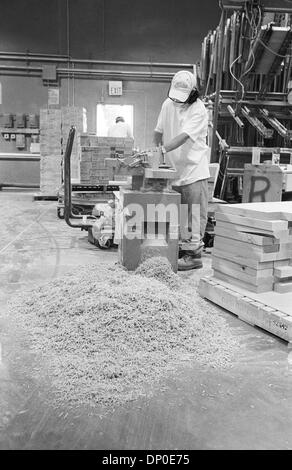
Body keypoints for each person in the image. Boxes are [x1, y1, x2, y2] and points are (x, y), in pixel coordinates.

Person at [153, 70, 210, 271]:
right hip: (174, 171)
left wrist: (162, 149)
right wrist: (154, 153)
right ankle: (179, 250)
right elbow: (158, 131)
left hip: (194, 170)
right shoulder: (168, 104)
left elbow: (184, 136)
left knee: (193, 215)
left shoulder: (199, 109)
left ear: (193, 91)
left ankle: (193, 255)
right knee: (179, 216)